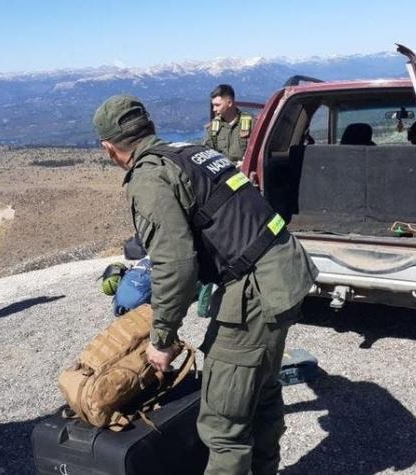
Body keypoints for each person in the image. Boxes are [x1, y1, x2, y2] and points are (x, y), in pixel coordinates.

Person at [93, 95, 316, 474]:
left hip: (256, 289)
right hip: (285, 268)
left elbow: (175, 264)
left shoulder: (149, 177)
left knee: (222, 422)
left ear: (109, 148)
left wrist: (162, 339)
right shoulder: (191, 152)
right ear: (147, 127)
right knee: (260, 389)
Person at [201, 84, 254, 164]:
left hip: (243, 172)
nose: (214, 109)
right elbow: (206, 154)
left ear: (229, 103)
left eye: (217, 105)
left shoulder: (251, 124)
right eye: (213, 105)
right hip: (222, 172)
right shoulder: (213, 128)